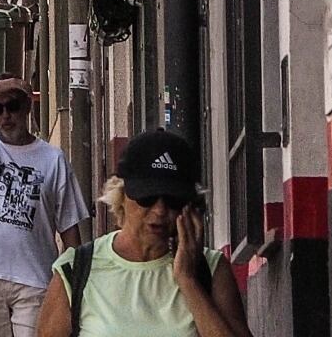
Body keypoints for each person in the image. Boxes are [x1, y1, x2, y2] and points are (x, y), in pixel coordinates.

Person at [33, 130, 251, 337]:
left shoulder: (210, 269)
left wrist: (188, 280)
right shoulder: (77, 269)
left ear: (190, 206)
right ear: (121, 196)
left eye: (172, 200)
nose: (160, 211)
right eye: (147, 197)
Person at [0, 75, 91, 337]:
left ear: (27, 107)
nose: (5, 115)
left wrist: (73, 282)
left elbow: (70, 228)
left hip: (35, 277)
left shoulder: (53, 158)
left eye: (12, 105)